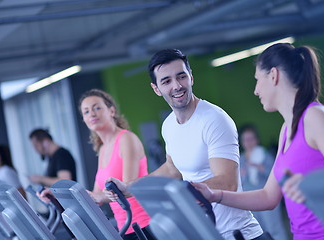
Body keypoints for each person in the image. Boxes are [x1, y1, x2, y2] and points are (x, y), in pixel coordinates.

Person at [192, 43, 324, 240]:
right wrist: (215, 195)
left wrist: (311, 186)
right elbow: (268, 197)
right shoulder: (286, 130)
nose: (255, 90)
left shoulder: (315, 116)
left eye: (257, 80)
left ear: (273, 75)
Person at [105, 49, 264, 240]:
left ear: (191, 78)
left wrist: (177, 196)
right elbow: (172, 170)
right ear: (156, 89)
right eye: (166, 81)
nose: (177, 86)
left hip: (236, 233)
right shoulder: (169, 125)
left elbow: (227, 182)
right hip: (202, 232)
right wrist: (129, 187)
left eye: (181, 77)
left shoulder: (213, 119)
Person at [40, 89, 155, 240]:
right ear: (84, 119)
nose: (92, 114)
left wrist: (98, 197)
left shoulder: (126, 139)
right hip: (125, 228)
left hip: (144, 225)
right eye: (86, 111)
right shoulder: (102, 148)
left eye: (97, 108)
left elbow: (126, 189)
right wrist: (56, 196)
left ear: (112, 111)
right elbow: (95, 196)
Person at [238, 124, 288, 240]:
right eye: (246, 139)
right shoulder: (240, 159)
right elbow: (237, 182)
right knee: (257, 230)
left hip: (267, 197)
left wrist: (260, 168)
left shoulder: (265, 155)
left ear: (257, 139)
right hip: (249, 200)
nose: (249, 142)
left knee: (274, 228)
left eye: (251, 139)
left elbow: (277, 175)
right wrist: (241, 175)